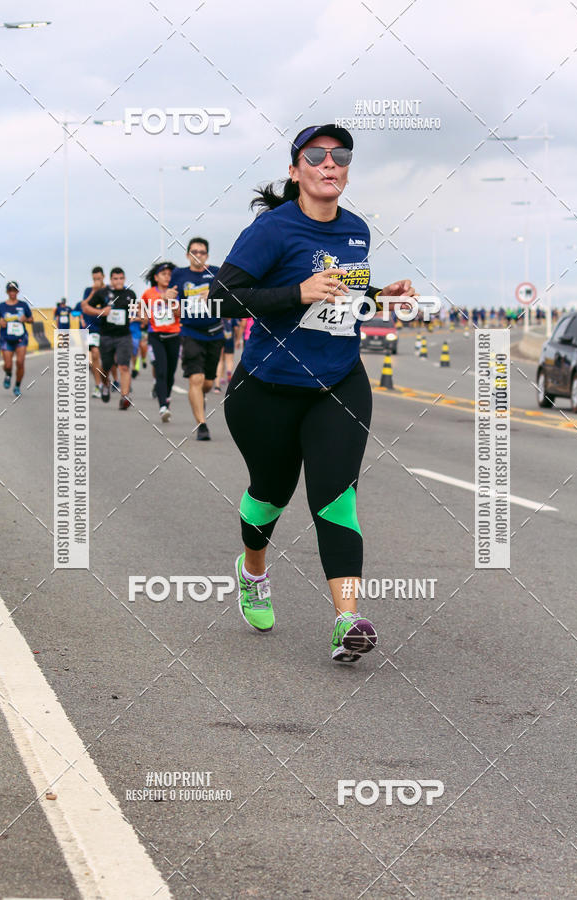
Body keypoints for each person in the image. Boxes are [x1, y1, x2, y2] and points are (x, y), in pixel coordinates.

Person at [207, 123, 417, 663]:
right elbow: (223, 297)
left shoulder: (356, 230)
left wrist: (379, 294)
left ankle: (347, 620)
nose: (330, 163)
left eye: (340, 155)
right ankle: (253, 570)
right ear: (297, 169)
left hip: (338, 383)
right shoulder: (272, 230)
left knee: (335, 495)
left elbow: (340, 293)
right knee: (271, 494)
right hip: (267, 389)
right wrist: (295, 293)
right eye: (317, 155)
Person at [170, 238, 223, 440]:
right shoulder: (179, 274)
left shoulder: (217, 272)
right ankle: (202, 425)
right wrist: (168, 298)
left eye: (202, 252)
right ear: (187, 255)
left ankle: (201, 397)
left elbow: (230, 295)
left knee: (208, 383)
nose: (198, 255)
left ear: (207, 255)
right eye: (194, 252)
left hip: (215, 332)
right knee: (196, 378)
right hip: (191, 332)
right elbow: (173, 303)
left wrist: (214, 294)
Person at [81, 266, 137, 409]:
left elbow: (135, 311)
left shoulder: (130, 294)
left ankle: (125, 397)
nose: (118, 281)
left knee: (124, 366)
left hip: (124, 336)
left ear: (124, 279)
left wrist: (137, 317)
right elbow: (86, 307)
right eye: (115, 279)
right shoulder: (103, 293)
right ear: (111, 280)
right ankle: (105, 385)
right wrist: (101, 311)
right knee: (106, 367)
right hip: (106, 336)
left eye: (121, 278)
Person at [140, 261, 180, 422]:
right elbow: (142, 313)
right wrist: (145, 316)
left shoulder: (178, 292)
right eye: (164, 274)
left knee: (170, 373)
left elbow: (179, 314)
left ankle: (167, 398)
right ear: (156, 277)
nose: (167, 277)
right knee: (161, 370)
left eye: (170, 274)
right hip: (156, 336)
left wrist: (171, 302)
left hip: (174, 336)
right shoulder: (149, 293)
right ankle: (163, 406)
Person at [0, 281, 34, 397]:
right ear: (7, 292)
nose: (12, 292)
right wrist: (0, 322)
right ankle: (8, 374)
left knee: (20, 362)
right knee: (8, 365)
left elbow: (31, 319)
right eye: (10, 290)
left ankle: (17, 386)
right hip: (6, 338)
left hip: (21, 338)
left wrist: (26, 319)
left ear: (18, 291)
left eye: (14, 290)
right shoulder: (2, 306)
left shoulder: (23, 305)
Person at [81, 266, 106, 399]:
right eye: (94, 278)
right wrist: (94, 292)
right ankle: (98, 385)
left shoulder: (109, 291)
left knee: (108, 362)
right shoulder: (88, 291)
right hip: (93, 329)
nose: (97, 280)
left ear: (103, 277)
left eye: (99, 278)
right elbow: (83, 306)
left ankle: (108, 382)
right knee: (94, 355)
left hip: (108, 330)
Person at [214, 317, 242, 393]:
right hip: (229, 339)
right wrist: (237, 339)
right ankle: (229, 372)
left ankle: (217, 386)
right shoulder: (232, 316)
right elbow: (236, 328)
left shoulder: (219, 315)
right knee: (229, 360)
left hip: (219, 338)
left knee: (220, 361)